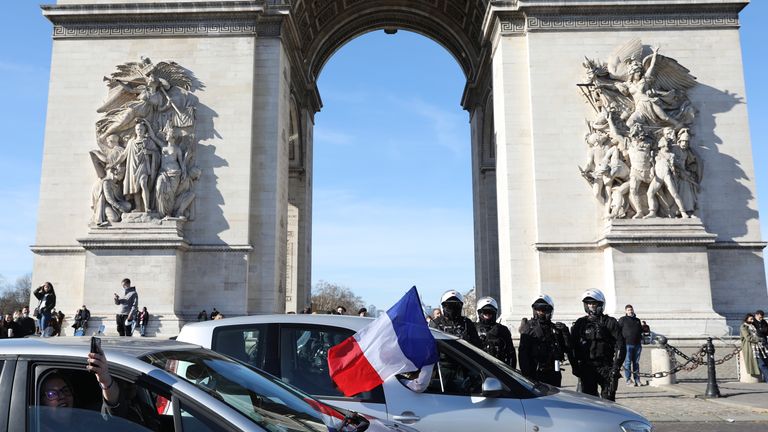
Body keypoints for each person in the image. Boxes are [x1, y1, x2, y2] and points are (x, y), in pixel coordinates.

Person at [570, 289, 626, 401]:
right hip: (587, 367)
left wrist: (616, 367)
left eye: (594, 303)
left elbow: (621, 345)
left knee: (609, 400)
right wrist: (575, 366)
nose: (591, 306)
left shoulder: (610, 322)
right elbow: (573, 346)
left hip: (606, 367)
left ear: (600, 304)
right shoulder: (580, 323)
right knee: (589, 401)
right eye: (589, 304)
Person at [519, 295, 571, 386]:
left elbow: (567, 348)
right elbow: (523, 355)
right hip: (535, 374)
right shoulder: (529, 328)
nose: (541, 313)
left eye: (544, 310)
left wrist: (565, 333)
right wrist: (527, 375)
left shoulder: (555, 328)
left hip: (554, 373)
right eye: (539, 310)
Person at [475, 297, 517, 369]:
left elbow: (511, 354)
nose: (488, 314)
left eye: (490, 311)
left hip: (498, 370)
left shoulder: (503, 329)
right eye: (485, 311)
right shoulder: (473, 328)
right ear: (479, 312)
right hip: (477, 369)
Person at [618, 304, 643, 386]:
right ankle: (628, 380)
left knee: (636, 363)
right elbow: (618, 331)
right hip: (627, 344)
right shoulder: (622, 319)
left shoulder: (637, 320)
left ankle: (637, 379)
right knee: (628, 362)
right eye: (628, 310)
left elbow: (640, 331)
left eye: (631, 309)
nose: (630, 311)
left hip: (637, 344)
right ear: (625, 311)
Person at [740, 313, 768, 383]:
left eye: (753, 319)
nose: (752, 320)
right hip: (751, 347)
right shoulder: (743, 327)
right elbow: (748, 337)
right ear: (746, 319)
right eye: (751, 319)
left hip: (759, 346)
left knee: (765, 362)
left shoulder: (753, 325)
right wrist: (759, 339)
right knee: (762, 364)